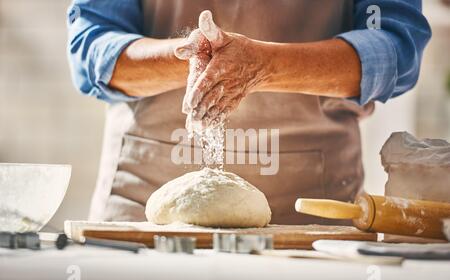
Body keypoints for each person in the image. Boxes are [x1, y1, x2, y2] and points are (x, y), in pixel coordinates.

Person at [67, 0, 431, 224]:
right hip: (142, 208)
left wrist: (267, 65)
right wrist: (197, 55)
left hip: (311, 220)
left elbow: (395, 45)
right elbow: (91, 42)